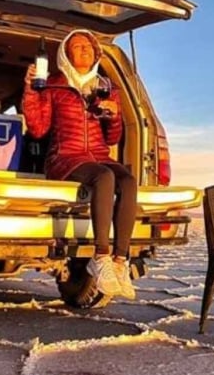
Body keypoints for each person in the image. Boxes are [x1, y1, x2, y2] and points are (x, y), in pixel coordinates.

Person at [22, 29, 138, 300]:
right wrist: (30, 90)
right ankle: (101, 257)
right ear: (65, 54)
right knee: (104, 177)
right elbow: (38, 129)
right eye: (76, 46)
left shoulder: (105, 87)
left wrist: (114, 115)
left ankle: (120, 262)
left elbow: (112, 138)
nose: (84, 49)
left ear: (96, 53)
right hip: (65, 157)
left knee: (128, 181)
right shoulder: (53, 85)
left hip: (98, 155)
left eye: (88, 46)